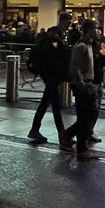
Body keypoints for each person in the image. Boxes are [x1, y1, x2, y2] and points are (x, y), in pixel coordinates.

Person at [27, 12, 72, 144]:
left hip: (54, 74)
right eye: (68, 23)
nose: (69, 26)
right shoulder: (53, 35)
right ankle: (62, 135)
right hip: (50, 73)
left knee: (46, 102)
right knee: (55, 105)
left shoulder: (61, 35)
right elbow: (54, 54)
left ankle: (35, 130)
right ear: (62, 21)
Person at [65, 19, 101, 159]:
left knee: (88, 116)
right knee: (85, 117)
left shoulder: (90, 46)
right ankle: (77, 144)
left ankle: (78, 143)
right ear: (88, 31)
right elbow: (76, 67)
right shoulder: (81, 46)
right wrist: (81, 84)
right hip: (84, 85)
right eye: (95, 29)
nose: (97, 31)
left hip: (89, 83)